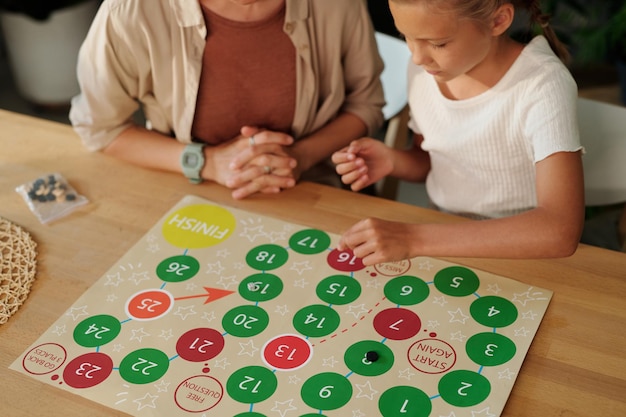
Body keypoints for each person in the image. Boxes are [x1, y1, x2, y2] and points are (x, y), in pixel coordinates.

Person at [332, 0, 584, 265]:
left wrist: (412, 238)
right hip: (443, 241)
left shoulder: (542, 85)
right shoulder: (423, 71)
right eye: (406, 36)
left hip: (525, 254)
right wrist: (392, 161)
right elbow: (430, 161)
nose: (417, 57)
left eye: (438, 43)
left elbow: (559, 230)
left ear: (498, 21)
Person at [69, 0, 384, 199]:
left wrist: (298, 157)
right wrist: (206, 162)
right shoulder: (130, 11)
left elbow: (365, 104)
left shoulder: (339, 5)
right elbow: (101, 128)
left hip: (316, 190)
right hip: (185, 188)